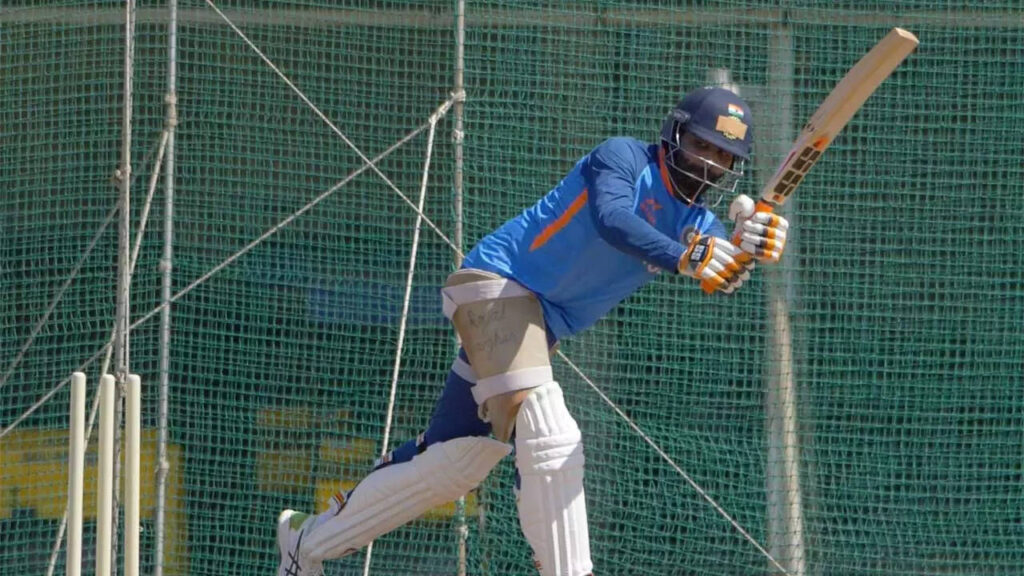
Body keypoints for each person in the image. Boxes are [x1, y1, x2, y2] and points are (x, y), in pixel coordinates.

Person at [276, 86, 789, 576]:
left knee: (456, 461)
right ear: (673, 134)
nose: (708, 162)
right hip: (497, 286)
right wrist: (688, 257)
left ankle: (307, 541)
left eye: (723, 156)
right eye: (701, 144)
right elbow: (613, 218)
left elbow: (718, 272)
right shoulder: (623, 158)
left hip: (538, 329)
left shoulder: (697, 222)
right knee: (551, 429)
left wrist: (747, 245)